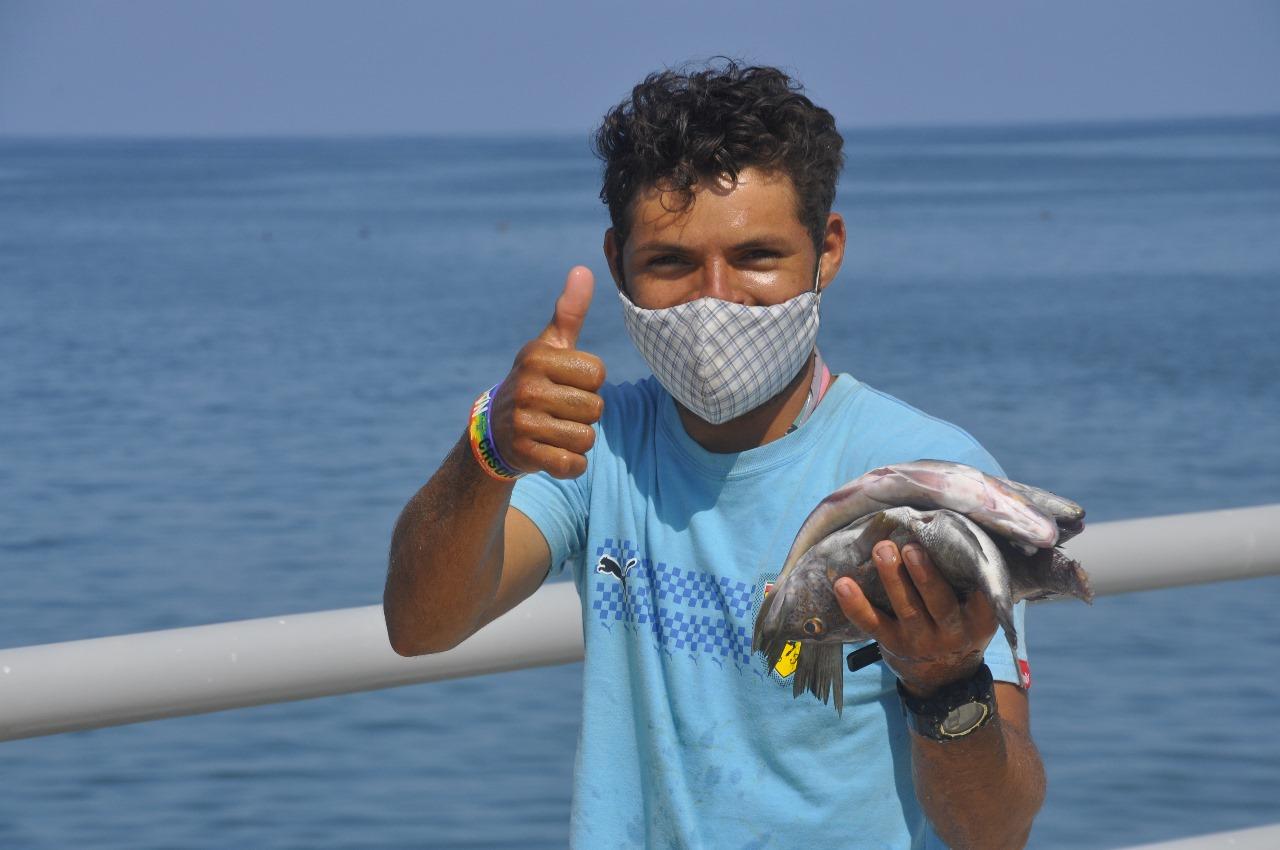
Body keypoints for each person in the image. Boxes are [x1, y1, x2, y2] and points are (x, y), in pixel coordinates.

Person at [384, 61, 1045, 849]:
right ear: (617, 258)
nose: (715, 298)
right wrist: (489, 445)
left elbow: (996, 831)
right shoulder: (599, 448)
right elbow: (420, 625)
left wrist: (944, 684)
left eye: (758, 256)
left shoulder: (922, 476)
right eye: (670, 262)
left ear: (826, 249)